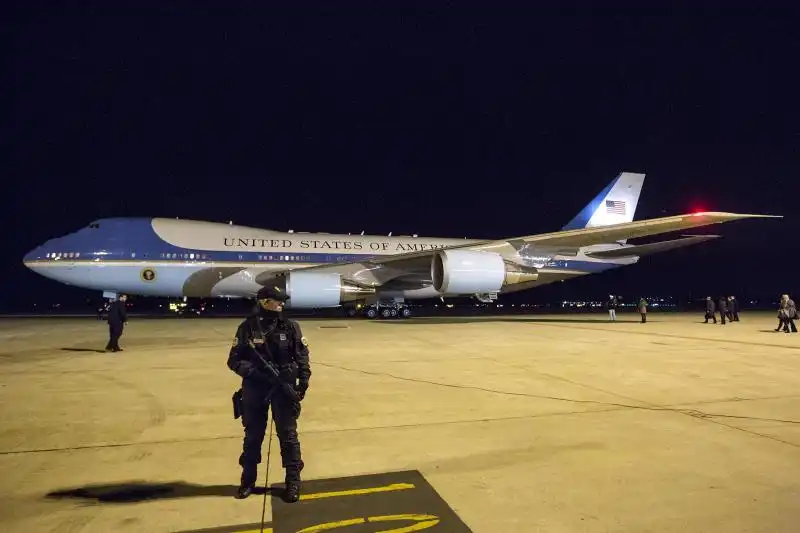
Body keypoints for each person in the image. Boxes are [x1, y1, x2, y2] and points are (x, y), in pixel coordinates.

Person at [227, 285, 311, 503]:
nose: (282, 303)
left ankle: (293, 482)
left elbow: (302, 357)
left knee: (288, 437)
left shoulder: (290, 327)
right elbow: (234, 360)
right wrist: (253, 372)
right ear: (264, 302)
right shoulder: (247, 328)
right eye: (277, 300)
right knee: (253, 436)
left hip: (283, 389)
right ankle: (248, 481)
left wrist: (303, 383)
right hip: (256, 388)